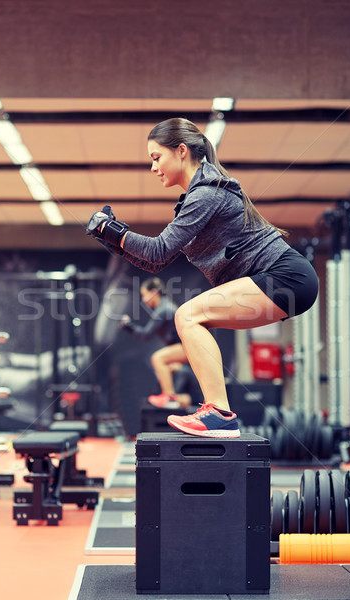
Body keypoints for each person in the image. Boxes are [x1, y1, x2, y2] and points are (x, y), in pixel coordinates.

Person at [87, 117, 319, 438]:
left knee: (188, 315)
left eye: (157, 158)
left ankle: (219, 414)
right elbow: (157, 262)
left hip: (287, 276)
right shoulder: (198, 196)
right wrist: (112, 239)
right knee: (194, 320)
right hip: (281, 280)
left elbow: (157, 250)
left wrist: (114, 232)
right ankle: (213, 409)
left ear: (181, 151)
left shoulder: (206, 194)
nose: (153, 168)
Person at [119, 276, 190, 409]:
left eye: (144, 295)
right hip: (182, 346)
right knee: (164, 365)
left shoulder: (163, 310)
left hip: (186, 347)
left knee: (157, 358)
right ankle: (172, 396)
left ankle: (169, 397)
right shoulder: (165, 306)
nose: (144, 299)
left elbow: (145, 335)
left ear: (154, 293)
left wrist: (128, 326)